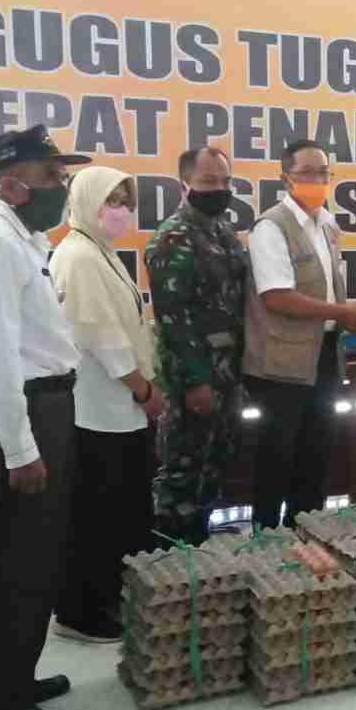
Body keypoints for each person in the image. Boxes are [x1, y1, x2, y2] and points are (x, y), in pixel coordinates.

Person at [0, 124, 90, 710]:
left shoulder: (22, 239)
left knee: (28, 561)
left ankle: (5, 679)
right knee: (19, 567)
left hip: (43, 408)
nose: (62, 184)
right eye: (50, 175)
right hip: (23, 413)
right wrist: (21, 449)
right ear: (11, 183)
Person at [244, 139, 356, 529]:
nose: (318, 180)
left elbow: (325, 293)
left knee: (315, 456)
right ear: (286, 178)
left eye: (324, 173)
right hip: (282, 365)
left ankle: (307, 538)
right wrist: (344, 313)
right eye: (307, 173)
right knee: (278, 460)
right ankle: (267, 542)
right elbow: (277, 297)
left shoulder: (326, 224)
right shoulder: (271, 227)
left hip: (324, 354)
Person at [49, 167, 163, 643]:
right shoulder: (79, 257)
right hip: (97, 408)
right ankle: (82, 613)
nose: (121, 211)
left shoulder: (101, 252)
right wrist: (144, 390)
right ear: (85, 201)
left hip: (119, 406)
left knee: (119, 511)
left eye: (125, 201)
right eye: (110, 200)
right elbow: (103, 338)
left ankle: (108, 599)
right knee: (96, 515)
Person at [144, 147, 248, 545]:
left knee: (214, 464)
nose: (218, 189)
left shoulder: (223, 232)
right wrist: (195, 381)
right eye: (208, 181)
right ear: (184, 184)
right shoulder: (173, 237)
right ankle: (168, 556)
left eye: (225, 181)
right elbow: (174, 318)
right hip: (194, 377)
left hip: (228, 373)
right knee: (182, 470)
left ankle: (198, 550)